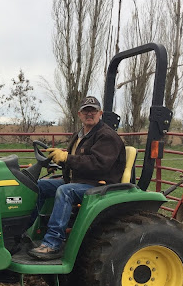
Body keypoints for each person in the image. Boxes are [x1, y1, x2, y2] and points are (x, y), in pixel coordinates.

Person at [28, 96, 125, 260]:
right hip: (79, 180)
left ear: (100, 113)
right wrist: (57, 162)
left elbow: (98, 164)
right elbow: (76, 159)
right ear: (79, 114)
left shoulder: (106, 136)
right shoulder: (80, 135)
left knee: (65, 191)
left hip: (99, 184)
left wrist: (67, 158)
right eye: (86, 111)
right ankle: (23, 231)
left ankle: (52, 243)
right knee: (39, 186)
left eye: (93, 111)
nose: (89, 114)